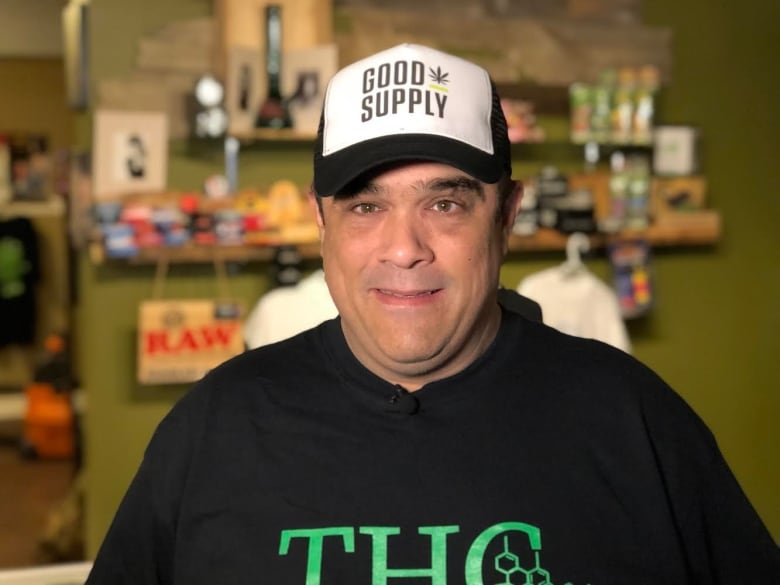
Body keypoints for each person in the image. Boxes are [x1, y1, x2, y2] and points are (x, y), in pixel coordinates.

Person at [86, 44, 779, 584]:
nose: (403, 248)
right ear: (320, 222)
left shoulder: (636, 421)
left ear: (506, 217)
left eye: (444, 204)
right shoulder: (214, 427)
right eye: (365, 206)